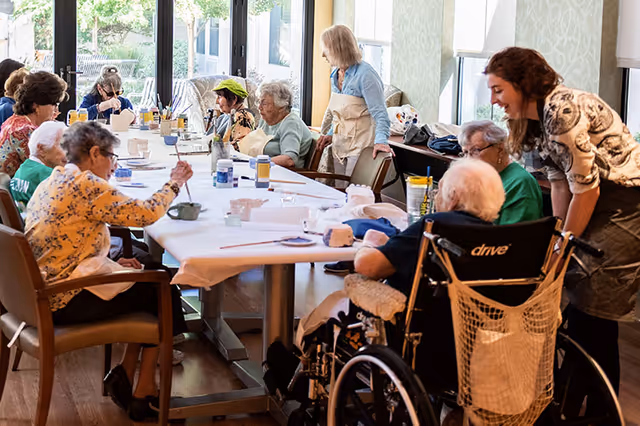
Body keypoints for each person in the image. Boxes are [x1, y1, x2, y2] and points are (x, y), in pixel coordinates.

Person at [484, 46, 640, 395]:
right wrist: (557, 239)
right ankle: (576, 399)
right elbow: (559, 184)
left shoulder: (562, 112)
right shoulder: (530, 122)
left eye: (498, 90)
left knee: (595, 302)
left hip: (626, 199)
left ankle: (601, 409)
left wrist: (564, 244)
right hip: (594, 194)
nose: (493, 100)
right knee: (572, 286)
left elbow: (586, 191)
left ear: (523, 84)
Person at [25, 121, 193, 421]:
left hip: (40, 291)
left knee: (151, 273)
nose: (112, 165)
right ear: (93, 153)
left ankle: (127, 375)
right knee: (163, 286)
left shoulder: (54, 179)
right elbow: (145, 214)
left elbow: (72, 243)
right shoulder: (86, 186)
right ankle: (143, 394)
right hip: (62, 300)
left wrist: (113, 266)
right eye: (111, 157)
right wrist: (175, 182)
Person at [316, 24, 392, 184]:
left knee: (354, 193)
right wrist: (330, 133)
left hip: (360, 146)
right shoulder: (335, 75)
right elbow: (340, 112)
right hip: (340, 145)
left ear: (338, 49)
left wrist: (381, 142)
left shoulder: (366, 75)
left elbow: (381, 114)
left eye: (326, 49)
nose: (323, 55)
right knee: (340, 190)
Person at [459, 120, 543, 225]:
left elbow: (512, 236)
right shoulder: (481, 177)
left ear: (500, 149)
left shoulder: (521, 184)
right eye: (465, 152)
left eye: (475, 150)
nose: (468, 159)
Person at [0, 71, 67, 177]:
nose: (56, 109)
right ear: (36, 105)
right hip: (20, 191)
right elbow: (52, 166)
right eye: (53, 104)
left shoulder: (14, 121)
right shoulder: (25, 131)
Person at [10, 121, 67, 208]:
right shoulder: (50, 176)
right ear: (41, 149)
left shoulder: (23, 168)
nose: (69, 152)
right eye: (63, 146)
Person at [257, 81, 312, 168]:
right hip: (265, 170)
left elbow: (289, 160)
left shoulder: (291, 123)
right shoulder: (265, 119)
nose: (259, 107)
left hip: (284, 175)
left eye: (264, 104)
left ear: (281, 107)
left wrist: (258, 162)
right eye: (259, 102)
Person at [212, 79, 255, 145]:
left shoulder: (243, 116)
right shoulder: (224, 116)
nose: (217, 101)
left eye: (220, 97)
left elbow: (241, 145)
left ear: (234, 99)